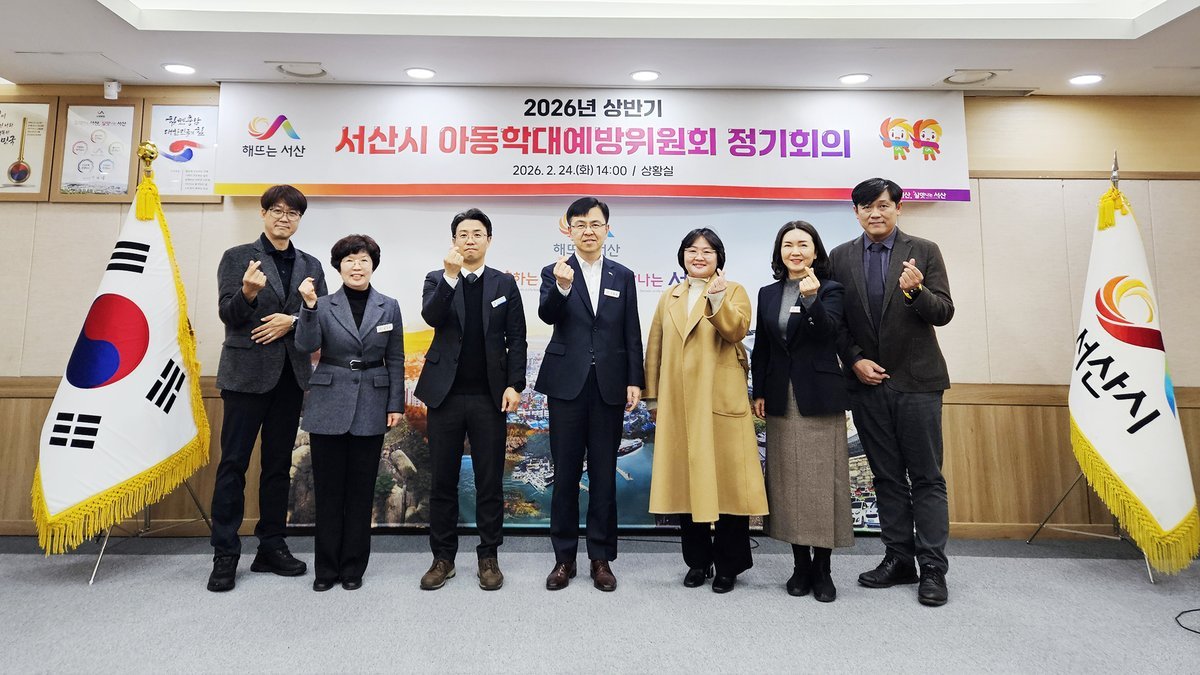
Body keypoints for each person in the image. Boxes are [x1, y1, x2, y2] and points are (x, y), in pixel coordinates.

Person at [828, 177, 955, 607]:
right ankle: (899, 558)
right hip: (866, 384)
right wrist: (854, 360)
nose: (875, 213)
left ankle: (933, 567)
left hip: (918, 383)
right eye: (866, 207)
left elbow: (944, 312)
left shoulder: (925, 251)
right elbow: (836, 322)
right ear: (856, 213)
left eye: (883, 205)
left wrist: (916, 292)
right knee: (885, 476)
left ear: (898, 208)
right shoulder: (840, 257)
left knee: (926, 477)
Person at [208, 185, 327, 593]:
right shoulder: (237, 257)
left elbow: (322, 315)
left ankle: (271, 546)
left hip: (290, 378)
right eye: (276, 210)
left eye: (292, 213)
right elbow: (228, 314)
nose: (283, 218)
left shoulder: (311, 264)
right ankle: (225, 553)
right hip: (245, 375)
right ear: (263, 214)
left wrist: (290, 321)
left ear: (299, 220)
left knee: (278, 467)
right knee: (233, 465)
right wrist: (247, 294)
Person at [644, 228, 768, 594]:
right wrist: (653, 399)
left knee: (729, 485)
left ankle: (729, 565)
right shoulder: (669, 296)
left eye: (707, 251)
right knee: (687, 484)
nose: (699, 256)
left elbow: (736, 330)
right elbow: (655, 348)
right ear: (682, 256)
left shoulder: (734, 291)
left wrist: (716, 299)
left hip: (719, 402)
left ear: (719, 258)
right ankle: (697, 562)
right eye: (692, 250)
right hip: (680, 404)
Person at [414, 209, 527, 592]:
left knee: (489, 481)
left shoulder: (504, 283)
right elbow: (432, 317)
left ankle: (488, 556)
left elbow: (517, 337)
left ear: (488, 240)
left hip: (489, 398)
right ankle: (443, 558)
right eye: (463, 234)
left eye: (477, 233)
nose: (470, 240)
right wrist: (450, 277)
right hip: (444, 396)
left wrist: (515, 384)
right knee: (442, 481)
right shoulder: (437, 278)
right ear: (454, 241)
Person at [535, 197, 644, 592]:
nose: (588, 231)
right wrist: (562, 288)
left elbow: (631, 331)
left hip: (609, 385)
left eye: (595, 224)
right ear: (569, 230)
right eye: (579, 224)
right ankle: (563, 559)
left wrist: (635, 380)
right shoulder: (555, 271)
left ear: (607, 230)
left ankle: (601, 558)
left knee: (602, 475)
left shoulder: (623, 275)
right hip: (566, 384)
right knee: (565, 475)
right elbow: (547, 315)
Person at [294, 234, 405, 591]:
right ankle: (326, 570)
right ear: (338, 267)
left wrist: (395, 404)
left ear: (373, 265)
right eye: (349, 261)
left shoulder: (389, 306)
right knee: (328, 492)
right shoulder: (322, 304)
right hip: (328, 401)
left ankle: (353, 567)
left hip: (372, 403)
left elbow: (396, 358)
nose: (357, 267)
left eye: (363, 260)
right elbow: (306, 345)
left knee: (360, 491)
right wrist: (308, 307)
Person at [751, 221, 853, 603]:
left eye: (803, 244)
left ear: (815, 251)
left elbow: (829, 335)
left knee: (822, 482)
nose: (795, 251)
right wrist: (760, 391)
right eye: (788, 245)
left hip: (819, 395)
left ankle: (822, 568)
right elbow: (763, 348)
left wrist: (811, 300)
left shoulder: (830, 289)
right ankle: (799, 566)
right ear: (779, 252)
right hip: (780, 396)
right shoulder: (768, 293)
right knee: (788, 483)